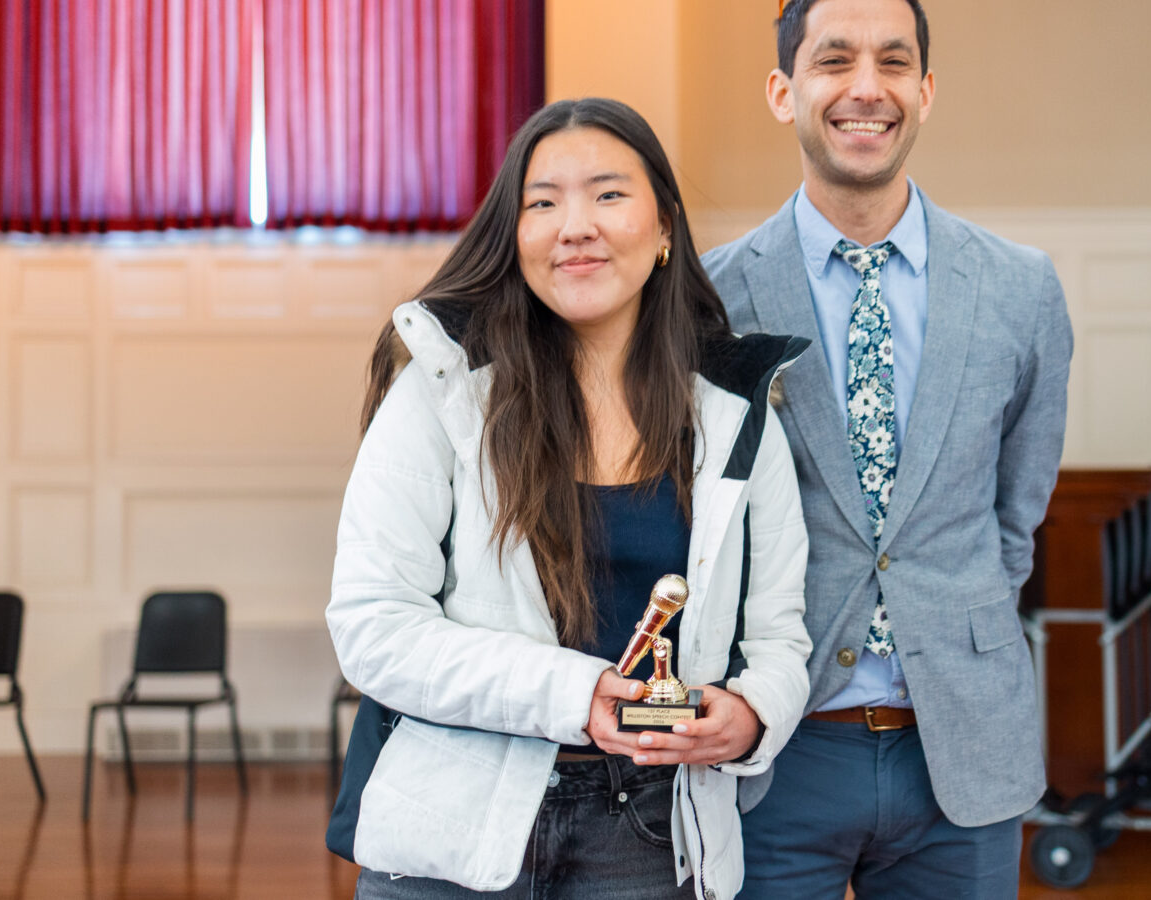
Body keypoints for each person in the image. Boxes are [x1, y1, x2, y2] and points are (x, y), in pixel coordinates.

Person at [325, 97, 812, 900]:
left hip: (655, 838)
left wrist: (752, 713)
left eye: (608, 194)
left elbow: (780, 638)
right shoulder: (440, 394)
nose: (574, 225)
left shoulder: (735, 413)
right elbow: (373, 626)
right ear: (514, 239)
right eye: (542, 202)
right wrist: (576, 695)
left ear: (663, 230)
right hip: (457, 829)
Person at [702, 0, 1074, 896]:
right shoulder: (712, 300)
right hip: (775, 756)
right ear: (783, 91)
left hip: (963, 749)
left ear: (927, 89)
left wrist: (954, 617)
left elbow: (1016, 514)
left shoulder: (1022, 290)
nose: (866, 88)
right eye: (835, 60)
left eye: (894, 62)